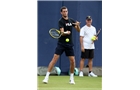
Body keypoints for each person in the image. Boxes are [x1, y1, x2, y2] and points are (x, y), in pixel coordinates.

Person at [43, 6, 80, 84]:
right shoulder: (61, 21)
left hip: (69, 44)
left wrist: (78, 25)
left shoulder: (71, 20)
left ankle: (72, 78)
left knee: (73, 61)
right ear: (61, 13)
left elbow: (78, 30)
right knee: (55, 59)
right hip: (61, 44)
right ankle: (46, 77)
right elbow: (62, 32)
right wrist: (66, 33)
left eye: (66, 11)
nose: (65, 12)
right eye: (63, 11)